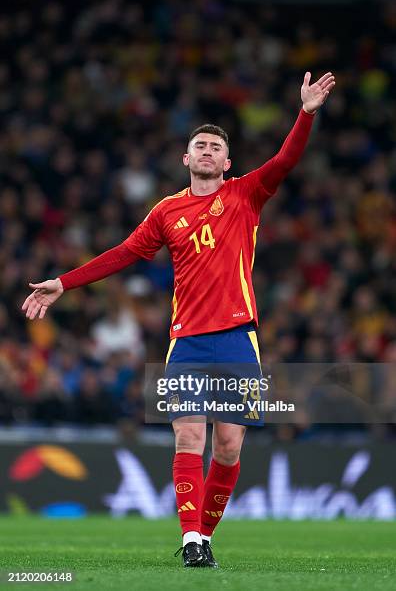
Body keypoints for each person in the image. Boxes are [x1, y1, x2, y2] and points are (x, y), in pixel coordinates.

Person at [22, 71, 335, 567]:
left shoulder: (246, 195)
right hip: (186, 341)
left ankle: (204, 535)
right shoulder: (167, 211)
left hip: (237, 338)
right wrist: (65, 282)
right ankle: (192, 540)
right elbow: (123, 254)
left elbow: (286, 160)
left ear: (227, 161)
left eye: (215, 146)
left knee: (229, 446)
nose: (207, 151)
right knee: (189, 435)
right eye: (199, 145)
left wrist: (306, 113)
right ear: (185, 159)